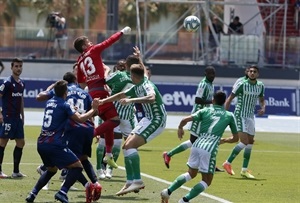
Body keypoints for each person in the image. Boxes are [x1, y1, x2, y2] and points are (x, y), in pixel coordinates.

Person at [25, 80, 100, 203]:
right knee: (77, 166)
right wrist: (93, 109)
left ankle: (32, 194)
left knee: (51, 170)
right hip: (54, 144)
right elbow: (80, 119)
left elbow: (60, 113)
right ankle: (62, 192)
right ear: (66, 92)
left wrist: (71, 109)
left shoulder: (50, 102)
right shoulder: (65, 105)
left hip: (41, 143)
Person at [98, 63, 167, 196]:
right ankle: (130, 182)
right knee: (126, 147)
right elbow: (121, 95)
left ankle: (138, 180)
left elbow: (152, 98)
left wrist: (131, 101)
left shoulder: (147, 85)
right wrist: (103, 101)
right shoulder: (139, 84)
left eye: (130, 75)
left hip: (157, 119)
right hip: (147, 119)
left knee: (130, 146)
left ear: (134, 76)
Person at [160, 90, 239, 203]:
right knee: (207, 181)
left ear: (213, 100)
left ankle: (167, 191)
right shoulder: (229, 115)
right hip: (209, 148)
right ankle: (184, 201)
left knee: (191, 173)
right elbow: (236, 138)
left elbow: (184, 120)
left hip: (196, 144)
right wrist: (224, 140)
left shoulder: (205, 110)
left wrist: (180, 128)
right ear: (224, 102)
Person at [73, 26, 131, 169]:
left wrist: (92, 79)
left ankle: (109, 155)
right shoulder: (93, 50)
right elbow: (109, 41)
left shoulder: (80, 61)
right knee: (115, 120)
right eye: (88, 41)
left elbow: (81, 83)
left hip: (92, 91)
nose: (91, 42)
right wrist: (122, 31)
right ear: (84, 45)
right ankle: (88, 136)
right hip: (100, 92)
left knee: (109, 122)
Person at [96, 56, 140, 180]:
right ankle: (131, 175)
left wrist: (106, 70)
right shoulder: (139, 78)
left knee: (109, 142)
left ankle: (104, 169)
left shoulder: (118, 75)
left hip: (113, 112)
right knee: (128, 144)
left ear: (126, 65)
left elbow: (105, 80)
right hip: (127, 115)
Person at [162, 66, 215, 169]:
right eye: (210, 74)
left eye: (213, 74)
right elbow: (198, 100)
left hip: (206, 116)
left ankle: (207, 163)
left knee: (204, 140)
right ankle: (169, 154)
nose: (212, 76)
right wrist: (212, 102)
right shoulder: (203, 84)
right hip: (198, 116)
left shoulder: (211, 84)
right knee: (194, 141)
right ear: (205, 74)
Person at [222, 65, 265, 179]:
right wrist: (225, 114)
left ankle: (244, 170)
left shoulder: (260, 86)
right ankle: (227, 162)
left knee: (250, 141)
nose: (252, 73)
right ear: (248, 73)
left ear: (257, 74)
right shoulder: (242, 84)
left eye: (254, 72)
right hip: (240, 115)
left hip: (250, 116)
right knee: (244, 141)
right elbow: (230, 98)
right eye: (250, 71)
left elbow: (261, 99)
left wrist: (263, 107)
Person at [0, 58, 26, 178]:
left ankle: (15, 171)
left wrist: (23, 116)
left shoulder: (21, 83)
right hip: (7, 117)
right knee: (2, 143)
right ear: (11, 67)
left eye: (20, 66)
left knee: (21, 142)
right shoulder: (7, 83)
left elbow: (21, 100)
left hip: (17, 118)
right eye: (16, 66)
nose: (18, 68)